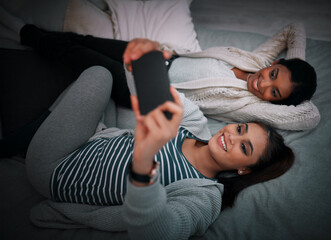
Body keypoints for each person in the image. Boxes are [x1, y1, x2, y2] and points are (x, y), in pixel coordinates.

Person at [26, 64, 294, 239]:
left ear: (243, 169)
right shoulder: (194, 126)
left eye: (244, 147)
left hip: (57, 170)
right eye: (240, 128)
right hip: (96, 139)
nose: (231, 135)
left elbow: (164, 229)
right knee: (107, 89)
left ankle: (27, 136)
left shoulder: (204, 197)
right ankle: (41, 127)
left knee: (99, 75)